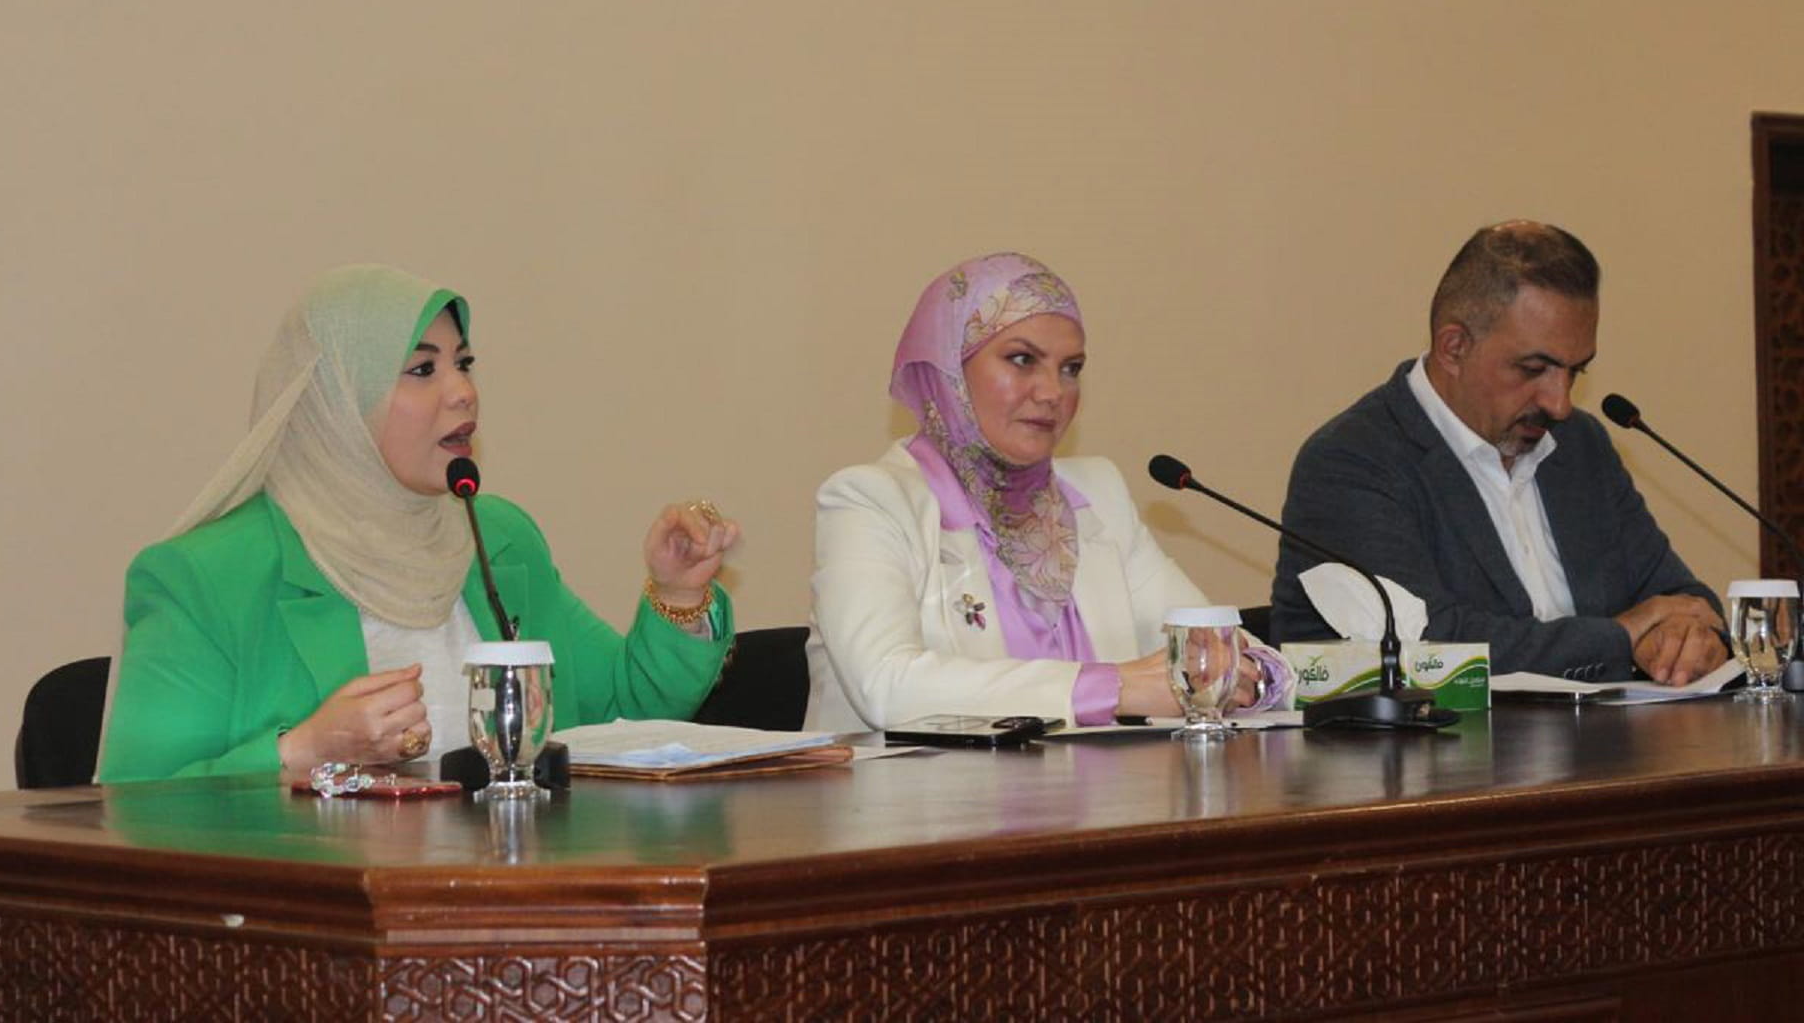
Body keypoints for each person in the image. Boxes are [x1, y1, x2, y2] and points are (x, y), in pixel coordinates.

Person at [99, 264, 740, 782]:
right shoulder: (206, 576)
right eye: (422, 369)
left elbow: (624, 716)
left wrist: (679, 593)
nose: (462, 391)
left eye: (464, 362)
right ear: (338, 404)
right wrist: (302, 751)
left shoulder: (498, 537)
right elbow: (134, 805)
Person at [805, 252, 1289, 732]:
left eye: (1071, 368)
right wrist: (1114, 687)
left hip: (1110, 807)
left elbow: (1224, 649)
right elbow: (886, 686)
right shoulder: (871, 501)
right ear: (949, 368)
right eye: (1022, 360)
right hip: (913, 806)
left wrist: (1253, 678)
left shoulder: (1096, 494)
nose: (1053, 392)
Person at [1270, 221, 1725, 684]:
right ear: (1454, 348)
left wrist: (1688, 637)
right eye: (1534, 368)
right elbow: (1430, 648)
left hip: (1610, 750)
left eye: (1576, 372)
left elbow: (1678, 596)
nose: (1559, 402)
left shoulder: (1579, 447)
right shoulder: (1353, 462)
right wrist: (1622, 637)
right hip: (1434, 754)